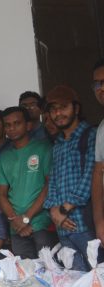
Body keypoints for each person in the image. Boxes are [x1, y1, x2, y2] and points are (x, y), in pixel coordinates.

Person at [43, 85, 96, 271]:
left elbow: (91, 176)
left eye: (63, 107)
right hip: (63, 228)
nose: (58, 114)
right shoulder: (57, 145)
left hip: (88, 226)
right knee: (77, 281)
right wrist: (54, 212)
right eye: (53, 109)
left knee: (99, 278)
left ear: (76, 108)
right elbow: (53, 182)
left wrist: (63, 209)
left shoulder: (91, 136)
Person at [0, 106, 56, 259]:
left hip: (42, 224)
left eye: (17, 123)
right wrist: (15, 220)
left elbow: (49, 186)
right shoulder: (4, 157)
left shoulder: (44, 148)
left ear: (28, 125)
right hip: (16, 228)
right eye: (8, 125)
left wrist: (26, 218)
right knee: (24, 271)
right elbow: (1, 194)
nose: (12, 128)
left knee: (51, 269)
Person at [90, 58, 104, 245]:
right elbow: (99, 173)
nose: (101, 88)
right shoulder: (101, 128)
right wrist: (99, 222)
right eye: (97, 84)